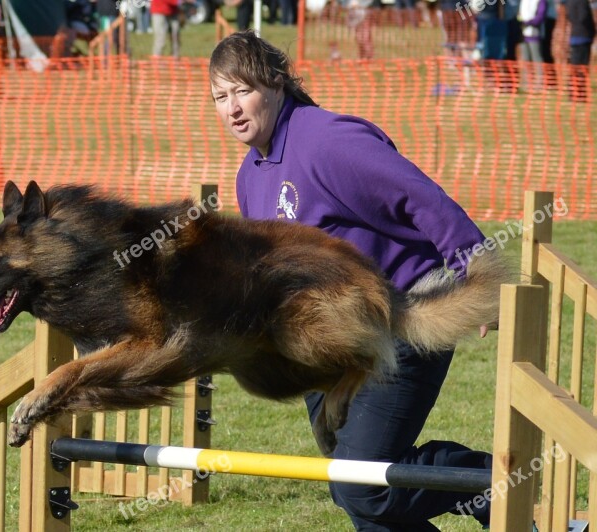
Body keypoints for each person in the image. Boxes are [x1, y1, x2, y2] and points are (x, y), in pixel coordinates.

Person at [209, 30, 493, 531]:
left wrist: (474, 263)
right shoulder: (249, 174)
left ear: (276, 83)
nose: (231, 108)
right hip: (330, 344)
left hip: (403, 319)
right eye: (220, 96)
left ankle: (498, 485)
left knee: (360, 484)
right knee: (362, 495)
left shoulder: (327, 141)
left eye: (242, 90)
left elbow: (417, 194)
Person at [566, 0, 595, 101]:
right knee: (582, 68)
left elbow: (569, 16)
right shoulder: (582, 2)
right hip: (583, 36)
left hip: (574, 36)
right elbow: (583, 16)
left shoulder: (570, 2)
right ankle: (580, 94)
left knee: (575, 67)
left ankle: (573, 93)